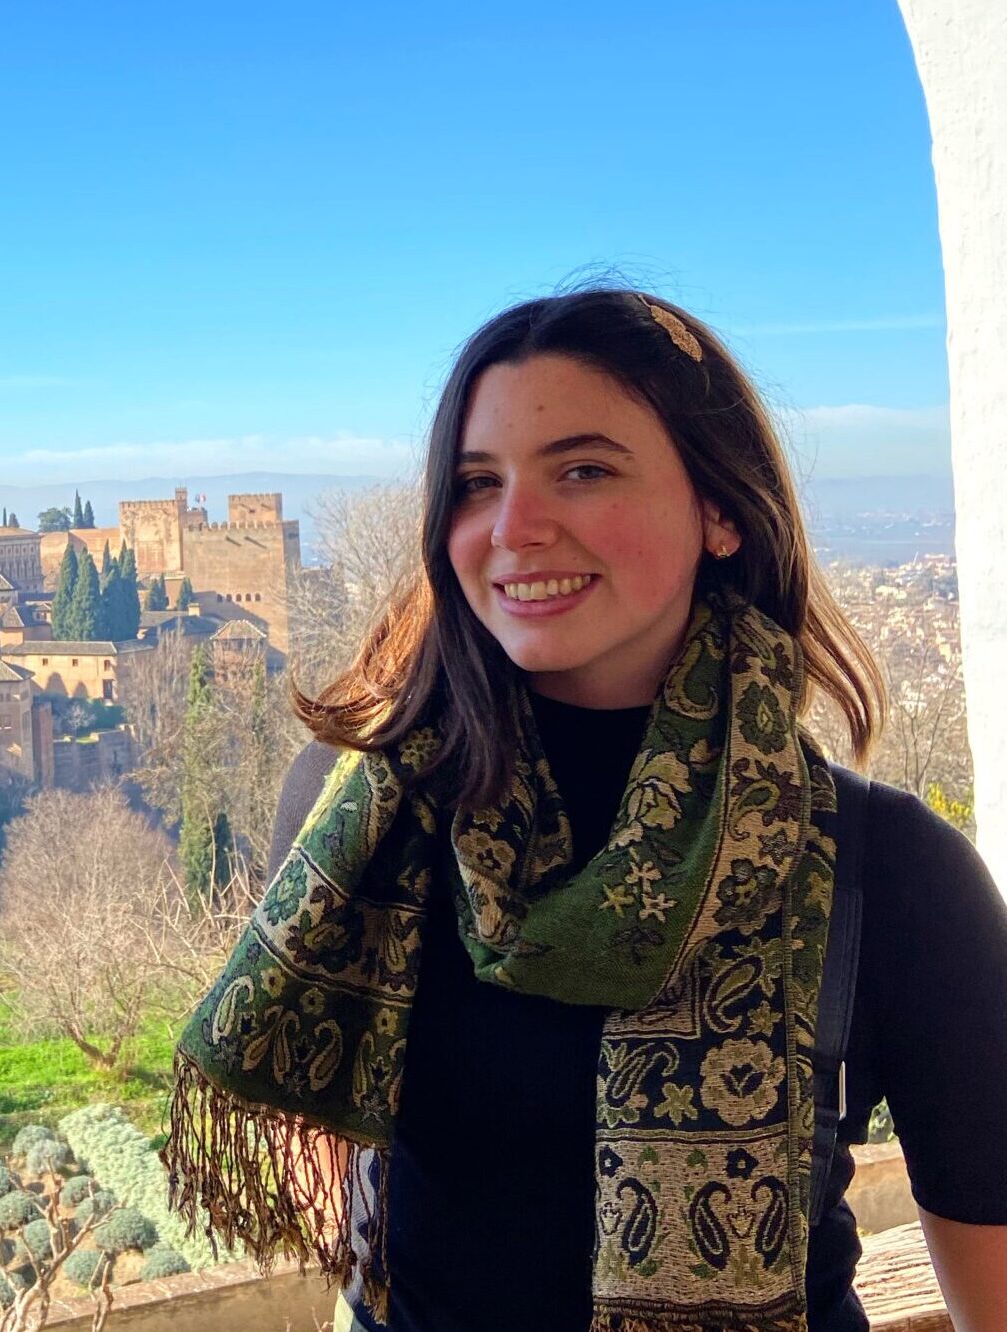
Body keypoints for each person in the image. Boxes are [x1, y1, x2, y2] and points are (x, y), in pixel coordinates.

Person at [161, 287, 1007, 1331]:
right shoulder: (362, 824)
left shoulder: (891, 871)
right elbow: (367, 1224)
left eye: (584, 468)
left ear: (722, 508)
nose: (513, 526)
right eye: (477, 483)